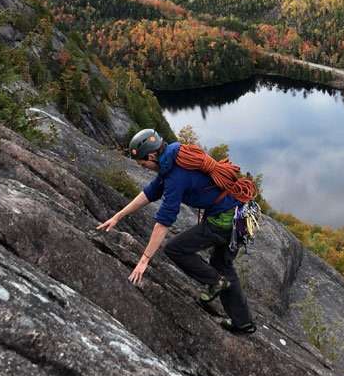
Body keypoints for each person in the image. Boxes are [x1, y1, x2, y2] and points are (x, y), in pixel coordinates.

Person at [97, 128, 256, 334]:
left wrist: (144, 259)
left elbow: (164, 221)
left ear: (152, 155)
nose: (143, 167)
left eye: (143, 162)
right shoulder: (173, 157)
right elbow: (150, 193)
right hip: (238, 214)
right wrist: (118, 216)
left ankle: (216, 282)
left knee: (175, 249)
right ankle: (243, 323)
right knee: (221, 265)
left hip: (224, 221)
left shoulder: (175, 175)